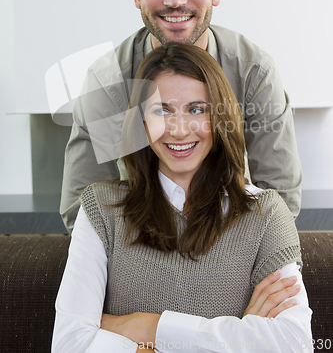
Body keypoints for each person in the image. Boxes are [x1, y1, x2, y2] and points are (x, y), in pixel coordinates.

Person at [52, 44, 312, 353]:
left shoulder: (266, 213)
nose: (178, 130)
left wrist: (150, 328)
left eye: (196, 109)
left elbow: (295, 343)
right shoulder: (102, 209)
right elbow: (69, 344)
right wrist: (238, 336)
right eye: (161, 110)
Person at [60, 0, 302, 233]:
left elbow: (279, 199)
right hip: (142, 249)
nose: (175, 0)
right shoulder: (109, 82)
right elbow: (83, 210)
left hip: (229, 247)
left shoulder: (254, 73)